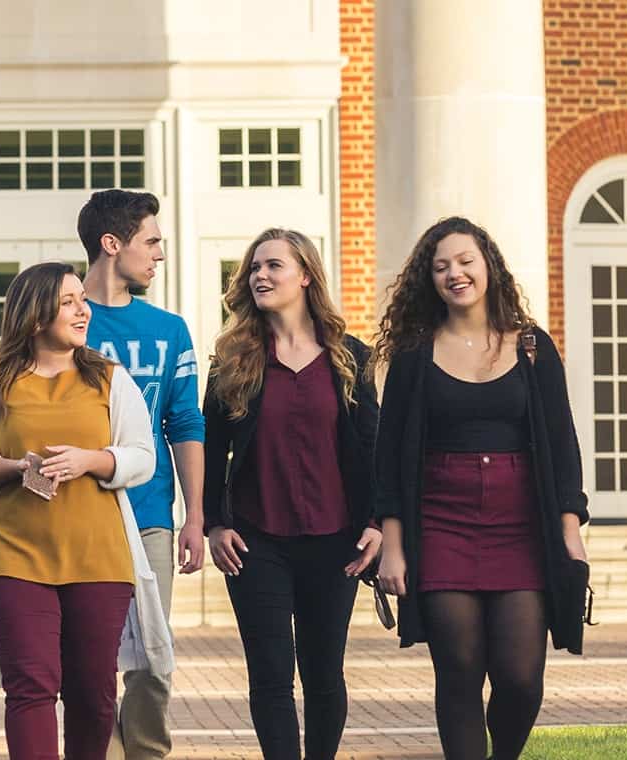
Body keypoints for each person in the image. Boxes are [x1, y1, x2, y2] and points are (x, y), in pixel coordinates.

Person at [372, 216, 591, 760]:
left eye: (466, 261)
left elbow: (562, 443)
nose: (455, 274)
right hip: (441, 524)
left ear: (488, 265)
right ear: (430, 279)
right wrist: (393, 545)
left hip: (522, 527)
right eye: (441, 266)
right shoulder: (413, 356)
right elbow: (390, 458)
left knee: (520, 678)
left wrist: (570, 529)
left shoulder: (533, 347)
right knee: (460, 671)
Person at [0, 262, 173, 760]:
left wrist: (93, 459)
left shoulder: (109, 378)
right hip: (11, 558)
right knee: (31, 686)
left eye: (81, 300)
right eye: (68, 301)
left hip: (99, 559)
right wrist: (9, 466)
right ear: (35, 311)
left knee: (93, 694)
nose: (82, 310)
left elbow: (143, 455)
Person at [201, 228, 381, 760]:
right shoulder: (233, 360)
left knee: (325, 673)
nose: (260, 275)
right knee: (272, 676)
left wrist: (375, 522)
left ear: (305, 275)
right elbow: (210, 448)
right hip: (257, 544)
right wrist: (214, 520)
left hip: (336, 543)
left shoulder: (351, 357)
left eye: (274, 266)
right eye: (254, 267)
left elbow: (373, 449)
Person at [76, 189, 204, 760]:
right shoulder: (64, 318)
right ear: (113, 244)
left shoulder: (169, 330)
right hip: (76, 518)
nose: (158, 254)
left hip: (149, 516)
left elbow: (185, 422)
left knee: (152, 661)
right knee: (90, 662)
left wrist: (194, 515)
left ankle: (146, 753)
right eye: (151, 242)